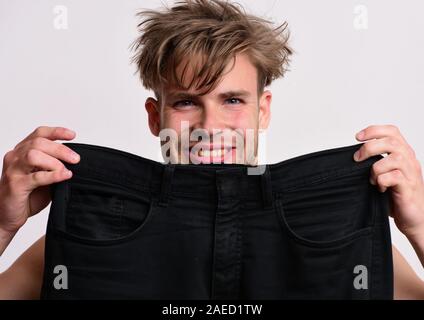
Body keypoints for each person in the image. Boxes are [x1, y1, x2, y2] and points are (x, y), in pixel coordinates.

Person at [1, 0, 423, 299]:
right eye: (186, 102)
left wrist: (419, 225)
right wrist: (4, 224)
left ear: (263, 111)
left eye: (232, 101)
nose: (209, 127)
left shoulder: (341, 244)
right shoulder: (84, 242)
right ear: (155, 116)